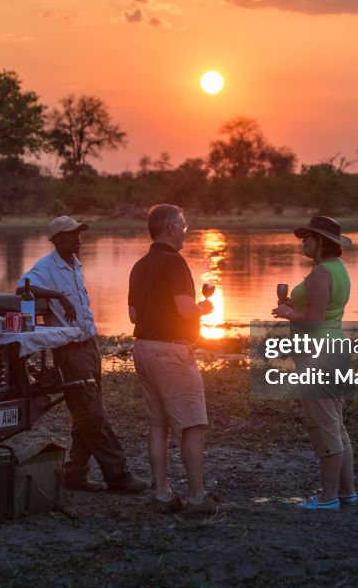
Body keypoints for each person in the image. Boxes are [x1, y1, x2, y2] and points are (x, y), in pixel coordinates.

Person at [18, 216, 148, 494]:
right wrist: (58, 296)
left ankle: (75, 473)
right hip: (70, 349)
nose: (77, 238)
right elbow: (22, 287)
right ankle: (119, 475)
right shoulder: (45, 267)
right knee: (91, 413)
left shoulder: (74, 263)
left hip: (88, 343)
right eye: (70, 234)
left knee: (86, 411)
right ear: (56, 239)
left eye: (79, 233)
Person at [128, 204, 225, 514]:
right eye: (183, 224)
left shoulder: (139, 265)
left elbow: (133, 315)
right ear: (170, 227)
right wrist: (203, 309)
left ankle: (162, 493)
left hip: (143, 348)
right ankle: (197, 497)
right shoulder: (175, 263)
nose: (186, 230)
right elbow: (184, 311)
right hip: (170, 352)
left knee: (159, 425)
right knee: (193, 424)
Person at [271, 215, 358, 511]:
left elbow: (315, 319)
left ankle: (328, 497)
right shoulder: (337, 269)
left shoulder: (321, 272)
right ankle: (347, 491)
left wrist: (287, 313)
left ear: (321, 241)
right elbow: (324, 311)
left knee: (325, 426)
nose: (303, 242)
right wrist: (297, 309)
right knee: (335, 424)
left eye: (307, 237)